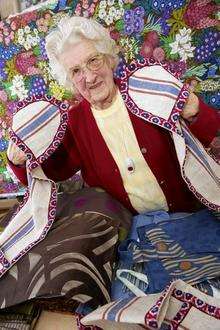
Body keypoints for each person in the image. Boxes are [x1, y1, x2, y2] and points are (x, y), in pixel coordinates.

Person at [7, 16, 219, 215]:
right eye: (76, 71)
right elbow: (51, 173)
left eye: (93, 60)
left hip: (188, 216)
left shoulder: (145, 88)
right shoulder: (74, 123)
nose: (89, 77)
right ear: (69, 80)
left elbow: (209, 136)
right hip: (128, 232)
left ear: (108, 59)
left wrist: (195, 110)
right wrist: (18, 162)